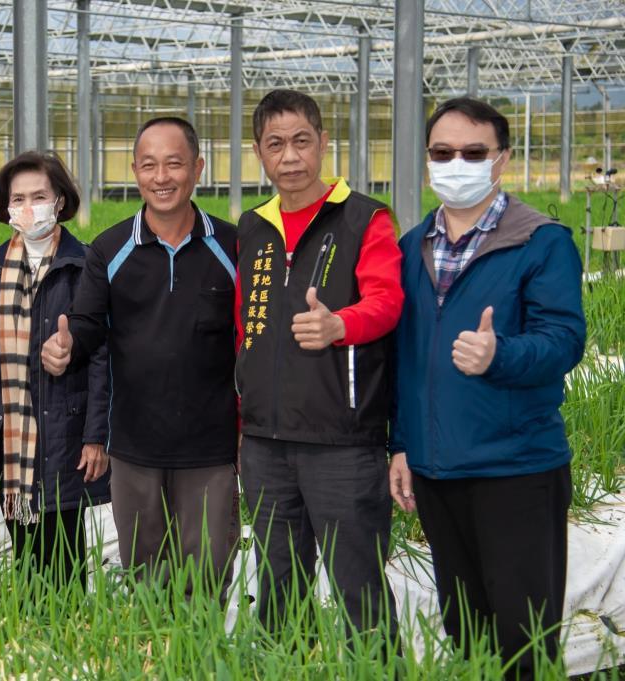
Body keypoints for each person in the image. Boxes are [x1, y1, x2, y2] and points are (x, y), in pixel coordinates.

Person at [388, 97, 585, 680]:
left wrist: (501, 354)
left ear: (500, 160)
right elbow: (403, 359)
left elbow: (564, 340)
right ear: (427, 161)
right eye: (443, 153)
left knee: (523, 634)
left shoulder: (540, 241)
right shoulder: (412, 246)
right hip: (437, 470)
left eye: (473, 152)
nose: (457, 163)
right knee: (465, 628)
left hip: (515, 467)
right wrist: (401, 445)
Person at [41, 117, 238, 595]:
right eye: (149, 165)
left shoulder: (234, 244)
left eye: (174, 164)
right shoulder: (110, 247)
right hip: (133, 444)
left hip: (210, 446)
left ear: (198, 168)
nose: (161, 177)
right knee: (145, 574)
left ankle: (203, 661)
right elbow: (86, 324)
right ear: (134, 171)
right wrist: (65, 344)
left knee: (208, 570)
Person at [234, 89, 403, 638]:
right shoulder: (253, 227)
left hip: (341, 440)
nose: (289, 157)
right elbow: (244, 332)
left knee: (360, 587)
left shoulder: (363, 218)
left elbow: (387, 300)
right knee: (278, 585)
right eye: (275, 144)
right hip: (264, 443)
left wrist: (339, 325)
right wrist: (244, 422)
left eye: (301, 141)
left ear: (323, 143)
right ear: (258, 151)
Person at [0, 151, 110, 586]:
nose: (29, 208)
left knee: (60, 543)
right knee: (22, 537)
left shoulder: (85, 266)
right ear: (6, 207)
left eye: (39, 196)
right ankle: (28, 630)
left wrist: (95, 436)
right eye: (18, 198)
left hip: (61, 425)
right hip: (1, 424)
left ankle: (63, 630)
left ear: (60, 201)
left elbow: (103, 355)